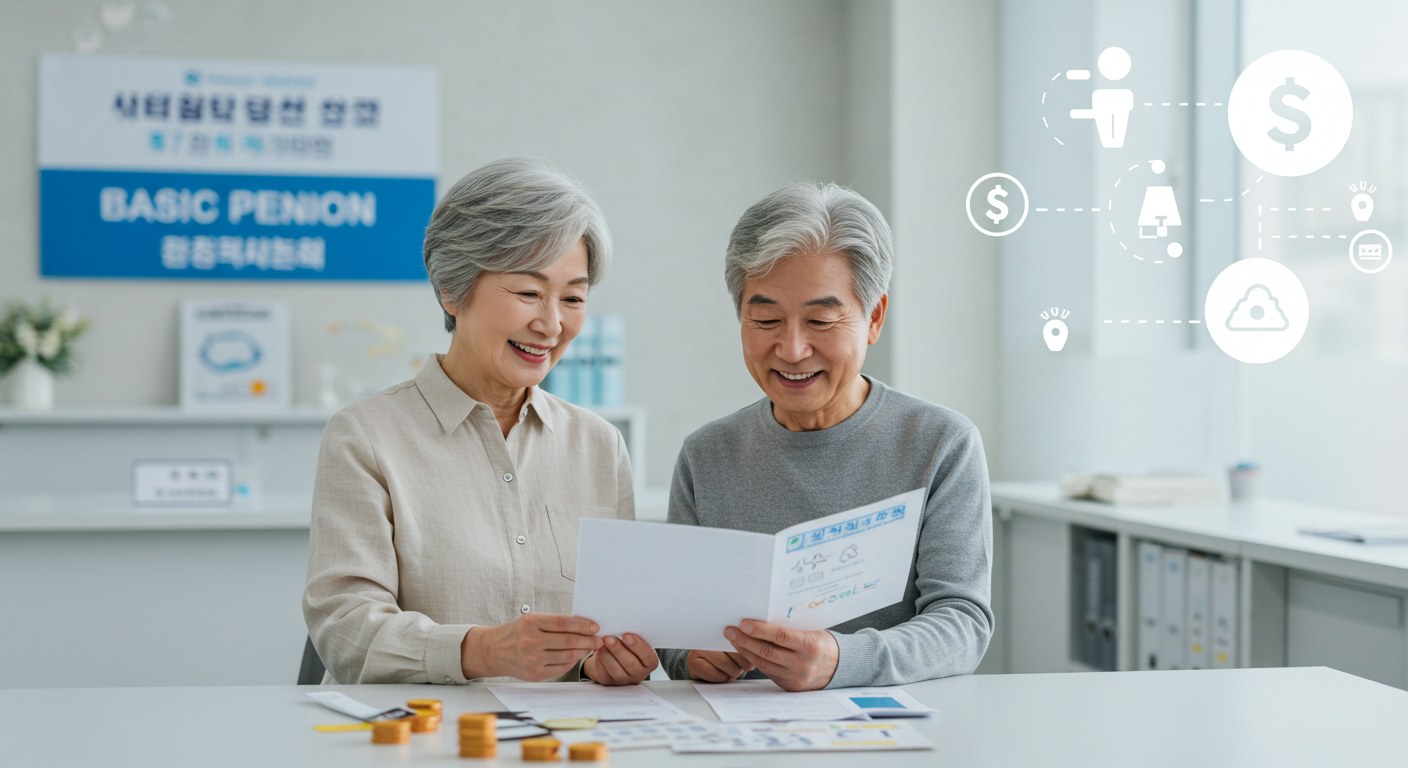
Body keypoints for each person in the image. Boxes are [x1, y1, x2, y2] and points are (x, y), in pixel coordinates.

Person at [303, 158, 658, 685]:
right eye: (528, 293)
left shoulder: (600, 446)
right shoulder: (366, 436)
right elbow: (344, 627)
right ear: (452, 288)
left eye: (573, 298)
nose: (552, 324)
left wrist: (614, 660)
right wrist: (479, 651)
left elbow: (614, 626)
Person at [660, 182, 993, 691]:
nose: (792, 349)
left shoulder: (941, 445)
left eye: (820, 319)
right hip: (739, 733)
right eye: (766, 319)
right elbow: (675, 630)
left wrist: (842, 659)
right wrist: (692, 656)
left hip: (893, 730)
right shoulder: (706, 456)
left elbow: (962, 622)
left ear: (874, 317)